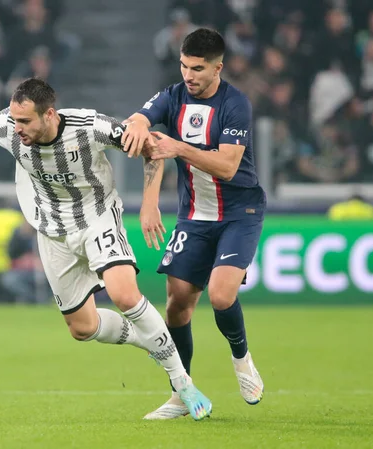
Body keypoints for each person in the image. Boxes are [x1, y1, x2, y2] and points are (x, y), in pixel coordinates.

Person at [0, 78, 212, 420]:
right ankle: (151, 340)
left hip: (98, 219)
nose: (17, 128)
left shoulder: (90, 126)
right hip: (52, 232)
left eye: (25, 121)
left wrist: (150, 204)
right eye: (15, 120)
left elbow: (152, 148)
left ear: (50, 114)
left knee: (124, 295)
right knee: (83, 328)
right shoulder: (8, 127)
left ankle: (182, 384)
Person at [122, 28, 265, 419]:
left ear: (218, 67)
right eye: (184, 66)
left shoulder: (235, 105)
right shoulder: (172, 96)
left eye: (198, 68)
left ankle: (241, 359)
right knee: (177, 306)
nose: (189, 75)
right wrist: (149, 201)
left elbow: (228, 165)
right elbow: (146, 132)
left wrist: (180, 148)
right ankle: (180, 395)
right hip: (194, 217)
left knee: (221, 296)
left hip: (239, 213)